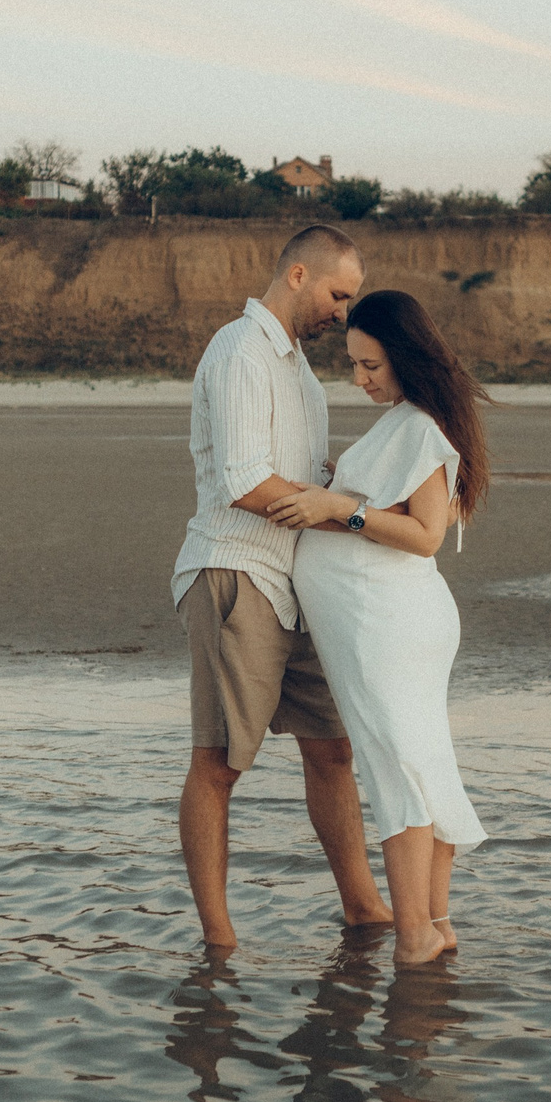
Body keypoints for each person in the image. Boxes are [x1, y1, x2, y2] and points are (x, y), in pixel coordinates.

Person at [173, 224, 391, 952]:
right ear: (298, 276)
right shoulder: (239, 351)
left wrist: (343, 499)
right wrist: (335, 509)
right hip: (238, 574)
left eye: (352, 299)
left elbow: (305, 478)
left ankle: (365, 908)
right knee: (220, 761)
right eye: (339, 294)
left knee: (332, 748)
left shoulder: (298, 370)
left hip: (299, 584)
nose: (345, 311)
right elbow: (243, 482)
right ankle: (220, 939)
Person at [267, 289, 493, 966]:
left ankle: (415, 936)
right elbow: (382, 503)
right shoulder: (404, 420)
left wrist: (342, 506)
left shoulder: (422, 426)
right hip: (384, 617)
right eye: (354, 365)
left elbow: (425, 534)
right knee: (421, 762)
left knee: (398, 766)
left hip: (384, 623)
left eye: (371, 365)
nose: (359, 378)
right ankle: (436, 922)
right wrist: (346, 493)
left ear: (406, 357)